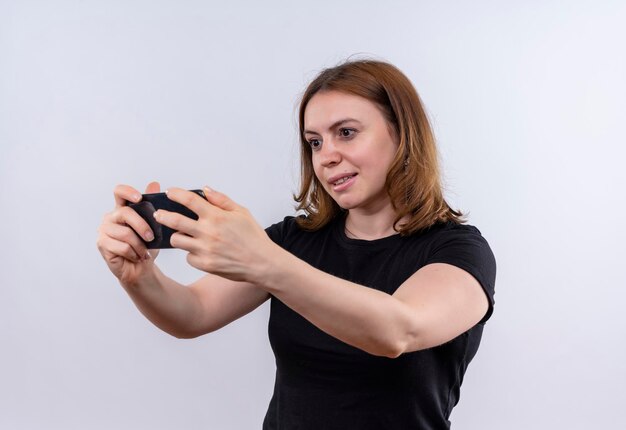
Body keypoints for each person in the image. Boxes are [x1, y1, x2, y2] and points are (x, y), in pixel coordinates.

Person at [96, 58, 496, 429]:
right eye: (315, 142)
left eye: (346, 133)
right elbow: (192, 314)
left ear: (402, 133)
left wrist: (264, 261)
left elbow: (397, 331)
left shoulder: (457, 252)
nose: (326, 156)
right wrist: (138, 275)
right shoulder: (293, 240)